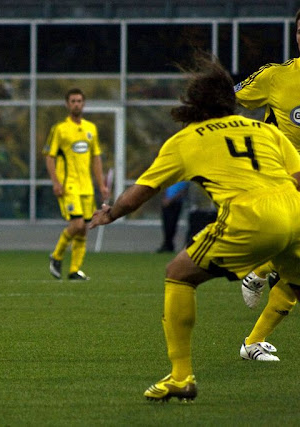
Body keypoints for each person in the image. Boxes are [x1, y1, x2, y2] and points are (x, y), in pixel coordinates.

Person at [89, 55, 300, 402]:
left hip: (251, 218)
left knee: (179, 273)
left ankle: (180, 377)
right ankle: (258, 284)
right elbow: (298, 177)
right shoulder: (266, 131)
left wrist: (110, 214)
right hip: (295, 210)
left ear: (194, 104)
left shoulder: (186, 140)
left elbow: (140, 193)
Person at [233, 8, 300, 361]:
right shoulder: (276, 76)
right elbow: (232, 96)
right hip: (282, 178)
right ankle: (262, 270)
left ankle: (261, 272)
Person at [43, 88, 109, 281]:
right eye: (73, 101)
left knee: (83, 229)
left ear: (84, 103)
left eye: (79, 101)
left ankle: (74, 270)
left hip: (86, 186)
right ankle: (56, 255)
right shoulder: (60, 129)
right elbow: (49, 157)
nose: (76, 104)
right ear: (67, 104)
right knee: (77, 223)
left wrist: (101, 185)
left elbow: (96, 158)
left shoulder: (91, 128)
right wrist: (56, 182)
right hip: (68, 185)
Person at [157, 181, 188, 253]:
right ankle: (166, 243)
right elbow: (165, 188)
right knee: (166, 224)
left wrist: (170, 200)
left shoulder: (183, 180)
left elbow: (182, 191)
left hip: (175, 203)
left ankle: (169, 244)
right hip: (167, 203)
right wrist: (164, 199)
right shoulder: (171, 179)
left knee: (172, 224)